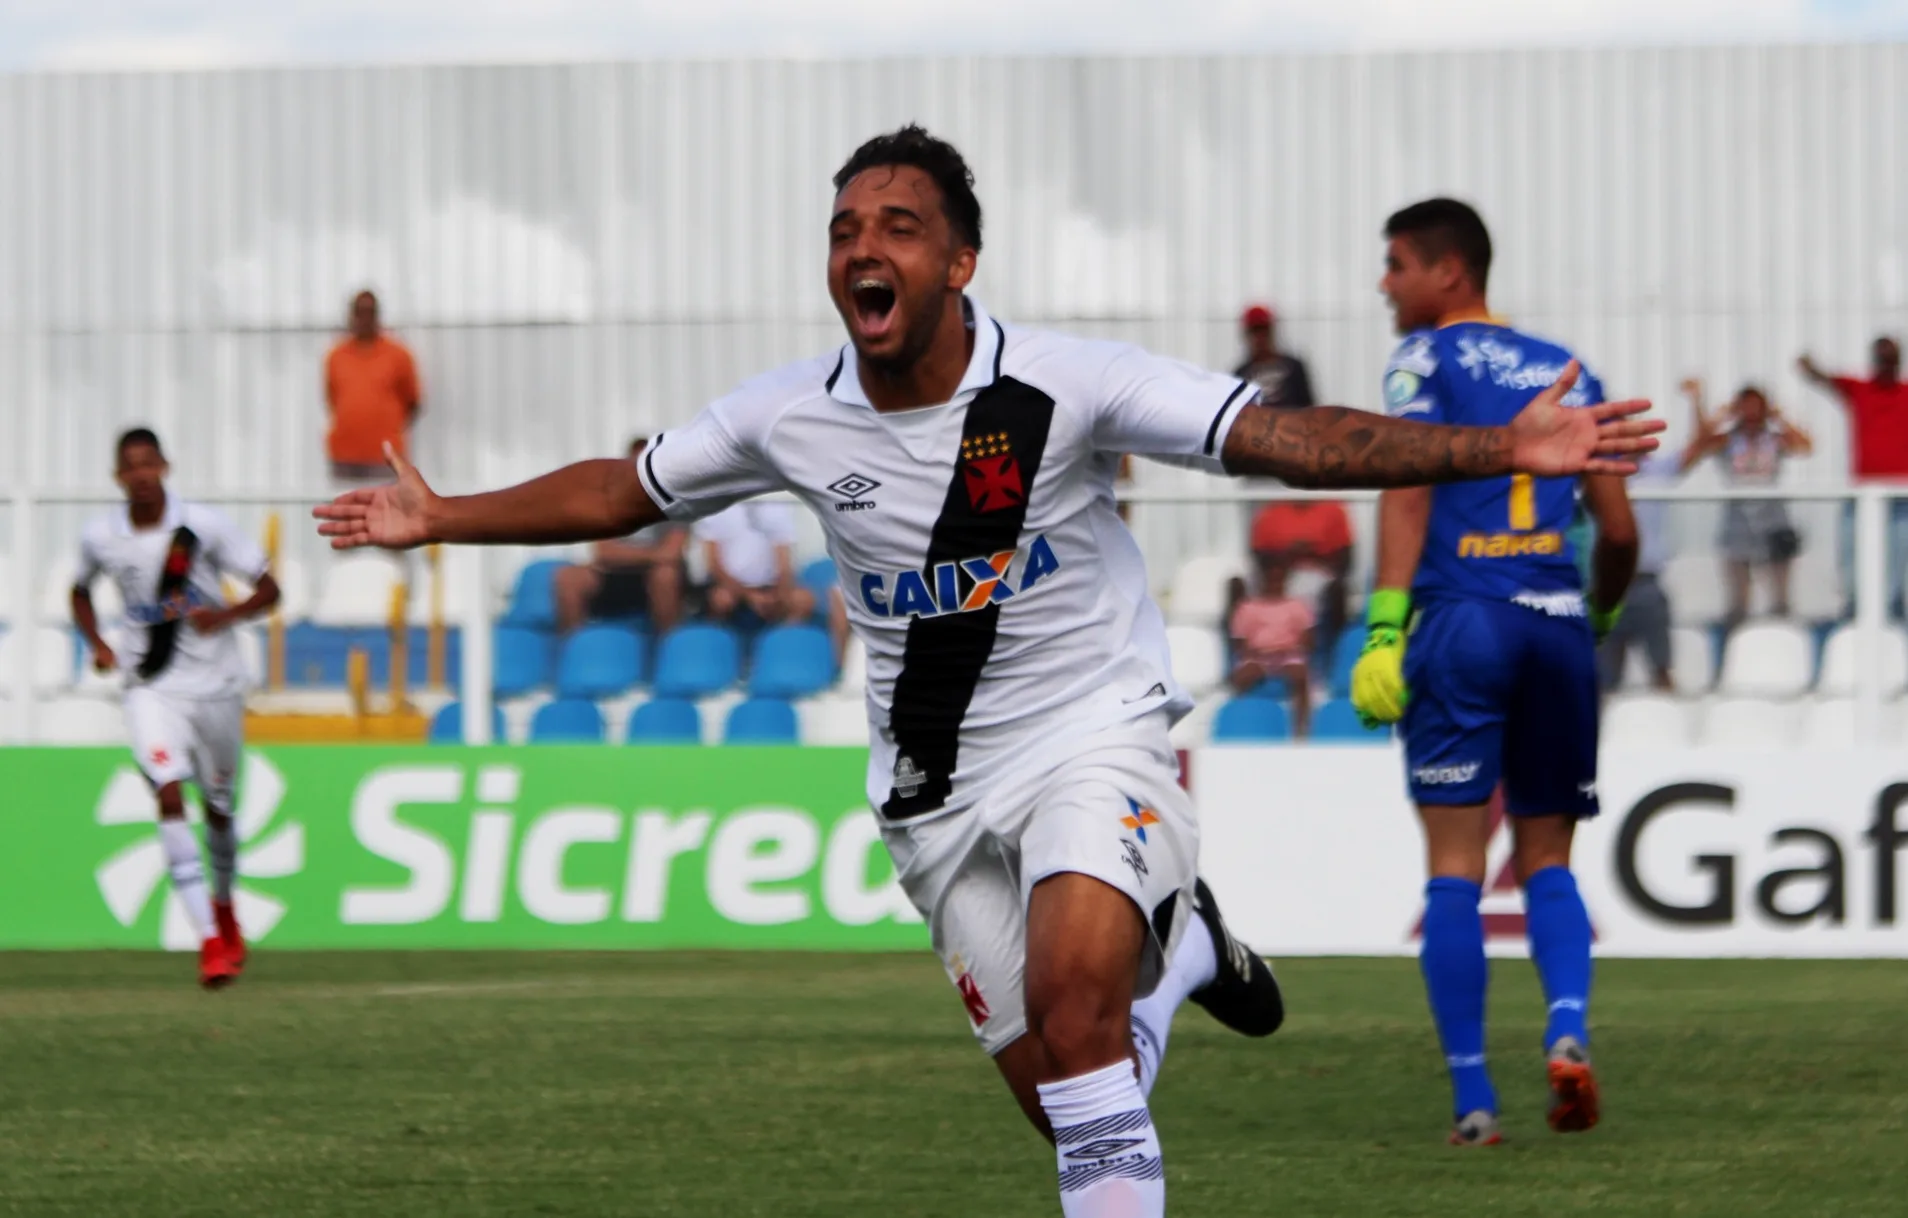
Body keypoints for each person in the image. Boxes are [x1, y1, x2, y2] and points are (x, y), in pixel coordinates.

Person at [317, 129, 1657, 1216]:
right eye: (844, 228)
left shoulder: (1066, 385)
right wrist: (443, 515)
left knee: (1079, 1023)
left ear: (961, 258)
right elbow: (629, 484)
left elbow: (1284, 439)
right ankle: (1181, 944)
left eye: (897, 225)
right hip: (932, 792)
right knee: (1065, 1087)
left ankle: (1151, 945)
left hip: (1093, 732)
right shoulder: (793, 410)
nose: (863, 246)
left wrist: (1497, 449)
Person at [1350, 198, 1640, 1147]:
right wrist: (1595, 611)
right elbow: (1623, 532)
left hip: (1463, 623)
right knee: (1549, 858)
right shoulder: (1572, 371)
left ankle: (1475, 1104)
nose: (1384, 282)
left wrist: (1384, 627)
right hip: (1555, 623)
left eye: (1395, 264)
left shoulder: (1422, 361)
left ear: (1447, 272)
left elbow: (1408, 479)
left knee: (1455, 870)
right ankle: (1567, 1031)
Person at [72, 428, 281, 989]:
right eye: (129, 467)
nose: (140, 475)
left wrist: (225, 615)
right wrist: (97, 643)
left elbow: (269, 588)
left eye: (148, 463)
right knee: (168, 791)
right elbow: (79, 590)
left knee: (217, 809)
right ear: (118, 477)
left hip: (215, 688)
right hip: (150, 688)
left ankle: (224, 904)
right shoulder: (102, 536)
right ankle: (208, 941)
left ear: (165, 466)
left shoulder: (202, 528)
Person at [1679, 379, 1812, 626]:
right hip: (1738, 521)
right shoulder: (1729, 440)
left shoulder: (1773, 439)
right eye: (1746, 407)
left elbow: (1806, 445)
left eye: (1757, 408)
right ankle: (1735, 642)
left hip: (1773, 519)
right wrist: (1709, 410)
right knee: (1738, 601)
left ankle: (1781, 636)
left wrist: (1779, 417)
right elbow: (1699, 444)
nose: (1751, 414)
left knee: (1780, 598)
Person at [1799, 337, 1908, 612]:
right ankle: (1854, 609)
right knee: (1852, 556)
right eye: (1882, 358)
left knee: (1897, 561)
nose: (1886, 364)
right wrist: (1808, 365)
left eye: (1890, 358)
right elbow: (1823, 378)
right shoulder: (1860, 389)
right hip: (1862, 493)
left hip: (1900, 495)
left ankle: (1893, 615)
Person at [551, 438, 689, 634]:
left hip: (652, 575)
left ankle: (668, 647)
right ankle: (574, 647)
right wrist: (653, 554)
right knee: (567, 578)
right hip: (613, 574)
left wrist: (625, 554)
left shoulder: (676, 503)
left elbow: (672, 553)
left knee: (666, 575)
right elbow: (603, 551)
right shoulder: (608, 502)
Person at [1596, 453, 1677, 692]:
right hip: (1607, 586)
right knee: (1604, 678)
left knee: (1662, 669)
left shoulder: (1657, 473)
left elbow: (1703, 443)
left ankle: (1668, 719)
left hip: (1646, 582)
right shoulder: (1595, 475)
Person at [325, 289, 423, 485]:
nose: (364, 319)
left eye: (369, 312)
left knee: (384, 511)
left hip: (385, 457)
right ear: (351, 316)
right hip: (344, 455)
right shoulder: (336, 356)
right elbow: (332, 399)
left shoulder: (398, 354)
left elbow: (413, 402)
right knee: (345, 511)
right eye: (359, 312)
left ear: (377, 315)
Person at [1247, 497, 1353, 660]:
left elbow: (1345, 559)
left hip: (1320, 574)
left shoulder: (1333, 510)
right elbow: (1261, 558)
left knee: (1329, 593)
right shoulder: (1271, 512)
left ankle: (1330, 657)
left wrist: (1313, 554)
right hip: (1281, 575)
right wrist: (1289, 554)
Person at [1226, 555, 1314, 738]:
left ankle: (1301, 731)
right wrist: (1259, 654)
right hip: (1257, 656)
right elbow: (1239, 642)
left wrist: (1287, 650)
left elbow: (1308, 640)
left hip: (1288, 655)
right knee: (1243, 676)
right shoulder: (1247, 608)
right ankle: (1241, 724)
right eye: (1270, 579)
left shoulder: (1297, 606)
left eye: (1278, 579)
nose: (1275, 583)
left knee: (1300, 675)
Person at [695, 500, 815, 628]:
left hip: (769, 585)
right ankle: (721, 640)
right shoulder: (714, 506)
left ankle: (779, 640)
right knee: (721, 599)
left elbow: (784, 566)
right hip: (728, 586)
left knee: (803, 600)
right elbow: (714, 565)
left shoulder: (778, 507)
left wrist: (779, 593)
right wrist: (749, 595)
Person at [1233, 303, 1315, 407]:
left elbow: (1307, 406)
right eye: (1254, 332)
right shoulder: (1241, 374)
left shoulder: (1293, 367)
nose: (1259, 337)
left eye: (1263, 330)